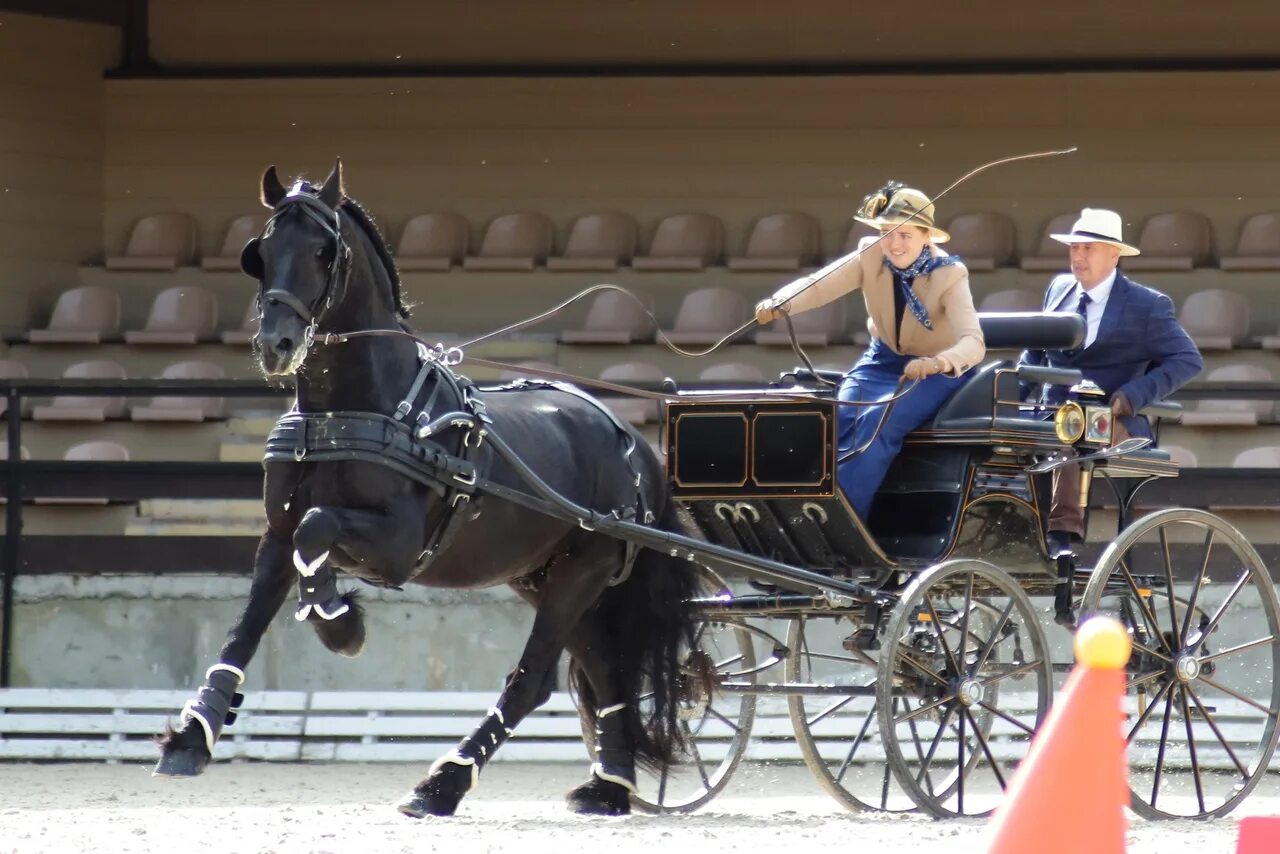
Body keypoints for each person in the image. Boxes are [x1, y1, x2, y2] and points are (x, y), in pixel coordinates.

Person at [754, 182, 985, 521]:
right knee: (837, 417)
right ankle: (800, 516)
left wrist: (938, 363)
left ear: (926, 237)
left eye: (905, 235)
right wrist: (780, 303)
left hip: (936, 373)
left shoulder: (949, 273)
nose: (894, 243)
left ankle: (842, 523)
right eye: (887, 232)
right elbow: (821, 285)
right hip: (881, 362)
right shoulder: (870, 253)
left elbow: (974, 343)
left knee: (877, 422)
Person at [1019, 208, 1203, 555]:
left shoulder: (1147, 305)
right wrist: (1011, 398)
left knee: (1072, 433)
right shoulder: (1059, 289)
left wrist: (1132, 396)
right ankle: (1014, 526)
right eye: (1075, 248)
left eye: (1089, 248)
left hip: (1111, 418)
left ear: (1114, 254)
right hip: (1051, 412)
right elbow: (1034, 353)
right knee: (1001, 437)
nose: (1078, 255)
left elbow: (1188, 359)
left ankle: (1061, 535)